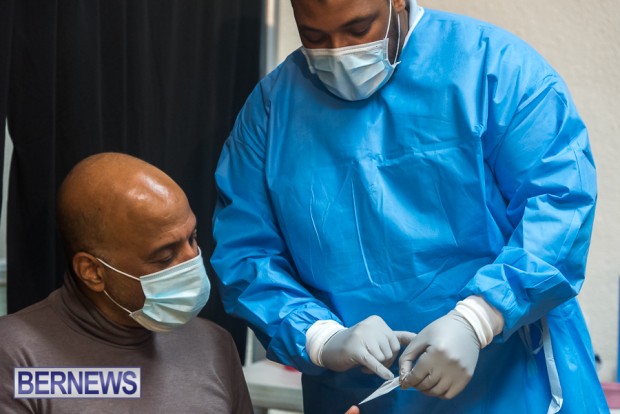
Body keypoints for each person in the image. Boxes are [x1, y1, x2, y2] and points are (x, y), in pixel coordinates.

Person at [211, 0, 608, 413]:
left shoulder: (495, 70)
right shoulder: (273, 110)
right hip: (361, 396)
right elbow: (246, 252)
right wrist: (320, 336)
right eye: (314, 38)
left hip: (510, 386)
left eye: (358, 29)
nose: (338, 53)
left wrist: (477, 318)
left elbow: (561, 203)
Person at [0, 152, 253, 413]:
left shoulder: (213, 344)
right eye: (165, 256)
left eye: (193, 238)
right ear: (92, 272)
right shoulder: (16, 358)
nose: (192, 260)